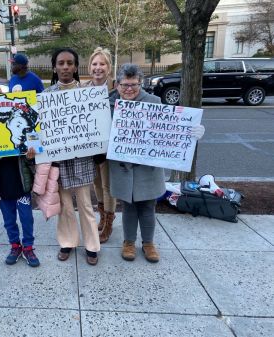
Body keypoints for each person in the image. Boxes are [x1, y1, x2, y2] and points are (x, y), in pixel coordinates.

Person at [108, 64, 205, 263]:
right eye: (125, 84)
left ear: (140, 84)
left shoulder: (154, 102)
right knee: (128, 206)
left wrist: (194, 131)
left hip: (148, 166)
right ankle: (128, 242)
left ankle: (148, 243)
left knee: (147, 206)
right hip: (122, 167)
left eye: (134, 85)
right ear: (117, 84)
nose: (129, 89)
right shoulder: (108, 104)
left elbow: (171, 128)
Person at [44, 48, 100, 265]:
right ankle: (67, 242)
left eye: (69, 63)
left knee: (86, 205)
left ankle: (92, 246)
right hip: (59, 162)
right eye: (61, 63)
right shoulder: (46, 96)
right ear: (55, 67)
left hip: (83, 160)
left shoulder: (88, 93)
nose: (65, 67)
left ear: (76, 67)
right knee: (65, 206)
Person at [82, 47, 117, 243]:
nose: (98, 68)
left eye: (102, 64)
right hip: (90, 147)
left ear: (108, 67)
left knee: (108, 185)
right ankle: (102, 216)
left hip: (110, 147)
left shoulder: (118, 88)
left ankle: (109, 223)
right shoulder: (83, 89)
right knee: (96, 184)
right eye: (94, 64)